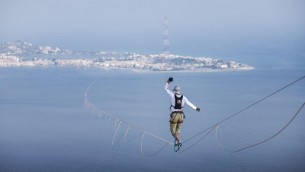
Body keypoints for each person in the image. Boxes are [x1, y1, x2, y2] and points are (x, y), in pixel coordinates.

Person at [164, 77, 200, 149]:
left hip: (174, 115)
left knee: (172, 131)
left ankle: (179, 141)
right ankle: (178, 141)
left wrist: (168, 82)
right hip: (181, 115)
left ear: (174, 91)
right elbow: (189, 104)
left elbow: (165, 88)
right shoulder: (184, 97)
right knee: (178, 130)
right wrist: (196, 108)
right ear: (180, 91)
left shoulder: (172, 95)